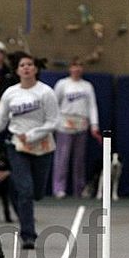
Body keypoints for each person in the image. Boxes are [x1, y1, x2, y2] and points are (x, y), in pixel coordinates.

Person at [0, 53, 59, 249]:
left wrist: (34, 135)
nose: (26, 68)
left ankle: (23, 195)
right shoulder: (11, 93)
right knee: (24, 190)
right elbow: (1, 119)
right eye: (22, 65)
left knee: (36, 193)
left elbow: (53, 121)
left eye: (30, 64)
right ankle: (28, 234)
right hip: (17, 145)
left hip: (42, 146)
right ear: (17, 71)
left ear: (35, 69)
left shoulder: (46, 93)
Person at [52, 56, 102, 198]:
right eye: (74, 66)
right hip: (65, 124)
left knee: (79, 160)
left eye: (80, 66)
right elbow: (54, 104)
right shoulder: (62, 84)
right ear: (70, 68)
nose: (77, 69)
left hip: (81, 124)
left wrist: (94, 125)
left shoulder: (87, 86)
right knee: (62, 158)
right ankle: (59, 188)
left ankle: (79, 189)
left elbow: (92, 106)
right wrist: (54, 124)